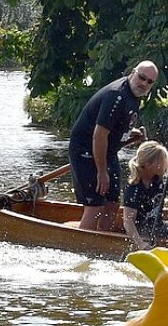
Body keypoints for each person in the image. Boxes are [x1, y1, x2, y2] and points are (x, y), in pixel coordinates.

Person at [68, 60, 158, 231]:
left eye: (149, 82)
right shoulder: (115, 95)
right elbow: (99, 136)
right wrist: (101, 172)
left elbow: (115, 128)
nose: (144, 83)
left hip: (107, 152)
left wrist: (131, 135)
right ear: (133, 72)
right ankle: (82, 247)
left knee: (112, 203)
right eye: (142, 77)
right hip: (86, 150)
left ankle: (103, 242)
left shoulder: (134, 95)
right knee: (95, 207)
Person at [120, 140, 168, 250]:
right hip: (142, 230)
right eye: (162, 161)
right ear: (148, 164)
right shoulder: (134, 188)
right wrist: (140, 244)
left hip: (158, 225)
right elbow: (128, 221)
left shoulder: (156, 175)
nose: (166, 164)